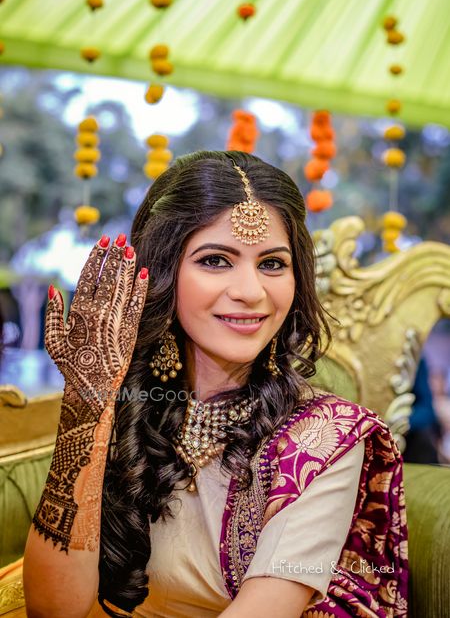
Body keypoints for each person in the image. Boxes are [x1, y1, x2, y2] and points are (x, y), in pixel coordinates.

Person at [22, 150, 408, 618]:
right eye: (216, 261)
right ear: (163, 273)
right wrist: (86, 406)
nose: (250, 291)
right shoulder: (121, 407)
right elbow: (54, 609)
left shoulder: (324, 440)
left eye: (271, 264)